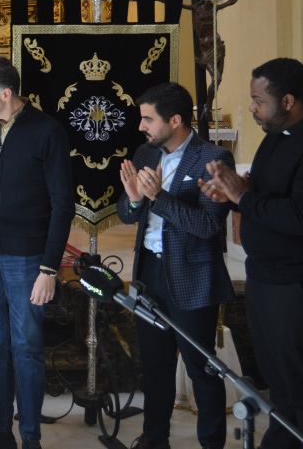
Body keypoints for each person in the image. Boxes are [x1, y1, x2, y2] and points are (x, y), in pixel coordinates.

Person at [202, 58, 303, 449]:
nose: (252, 108)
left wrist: (243, 197)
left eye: (259, 101)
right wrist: (233, 193)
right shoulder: (278, 136)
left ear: (288, 101)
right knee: (282, 388)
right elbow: (268, 194)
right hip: (271, 278)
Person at [0, 56, 75, 449]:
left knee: (26, 346)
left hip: (26, 259)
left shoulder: (47, 132)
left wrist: (49, 268)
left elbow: (62, 204)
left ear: (6, 93)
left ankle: (30, 437)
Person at [116, 82, 235, 449]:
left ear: (176, 120)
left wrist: (158, 197)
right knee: (155, 365)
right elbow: (127, 212)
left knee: (201, 367)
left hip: (192, 275)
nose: (141, 126)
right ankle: (155, 439)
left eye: (148, 119)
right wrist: (135, 200)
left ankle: (211, 443)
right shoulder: (146, 153)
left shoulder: (213, 158)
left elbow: (207, 225)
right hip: (149, 275)